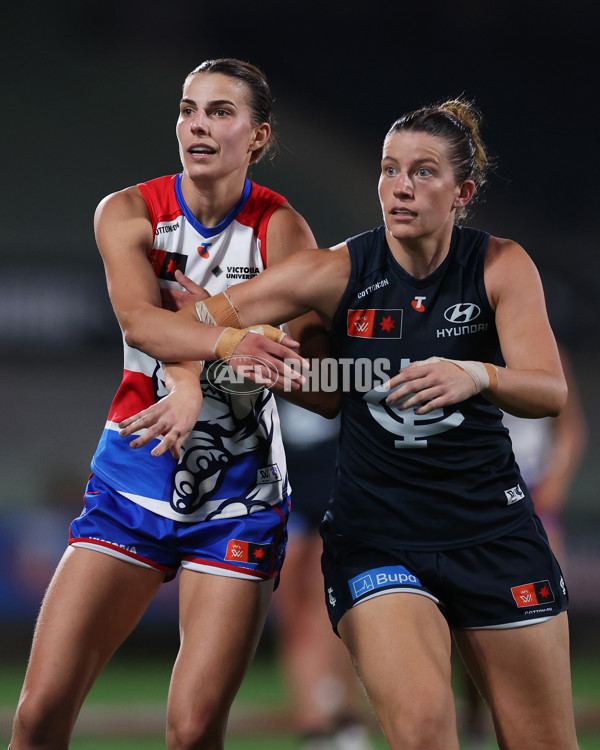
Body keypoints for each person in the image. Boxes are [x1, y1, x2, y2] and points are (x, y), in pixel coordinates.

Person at [127, 96, 580, 749]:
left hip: (494, 534)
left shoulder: (500, 265)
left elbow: (549, 391)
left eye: (423, 172)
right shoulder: (335, 271)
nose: (401, 186)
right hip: (378, 538)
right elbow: (186, 325)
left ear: (462, 192)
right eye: (389, 169)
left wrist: (476, 374)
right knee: (425, 730)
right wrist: (220, 363)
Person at [10, 58, 336, 750]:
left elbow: (318, 383)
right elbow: (139, 322)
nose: (198, 124)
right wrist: (223, 346)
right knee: (37, 716)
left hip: (239, 498)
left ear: (259, 135)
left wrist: (258, 350)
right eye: (190, 109)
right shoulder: (128, 211)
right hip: (132, 478)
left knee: (192, 732)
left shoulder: (282, 231)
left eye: (221, 112)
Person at [272, 399, 375, 750]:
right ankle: (312, 725)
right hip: (283, 482)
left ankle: (344, 715)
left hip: (333, 480)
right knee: (292, 615)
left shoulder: (333, 352)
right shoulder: (266, 356)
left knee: (330, 609)